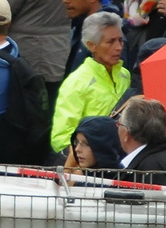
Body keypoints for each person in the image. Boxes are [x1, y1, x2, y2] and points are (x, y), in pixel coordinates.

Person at [50, 11, 129, 155]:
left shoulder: (125, 75)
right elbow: (61, 138)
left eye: (120, 40)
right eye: (111, 42)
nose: (119, 47)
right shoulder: (76, 82)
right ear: (91, 45)